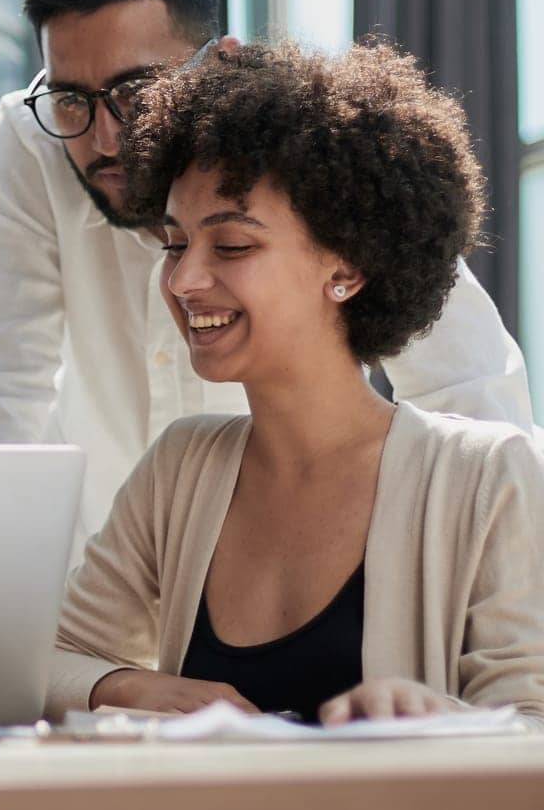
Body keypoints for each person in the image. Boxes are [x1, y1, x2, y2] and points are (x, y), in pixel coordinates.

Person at [0, 0, 533, 549]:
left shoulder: (311, 140)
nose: (104, 138)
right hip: (98, 574)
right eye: (71, 98)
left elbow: (468, 390)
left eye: (137, 91)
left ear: (220, 62)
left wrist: (469, 577)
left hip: (306, 568)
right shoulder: (35, 140)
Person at [46, 40, 544, 727]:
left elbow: (531, 728)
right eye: (174, 244)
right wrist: (125, 687)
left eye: (232, 246)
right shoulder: (181, 468)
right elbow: (49, 657)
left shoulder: (492, 476)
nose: (184, 280)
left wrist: (437, 719)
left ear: (348, 266)